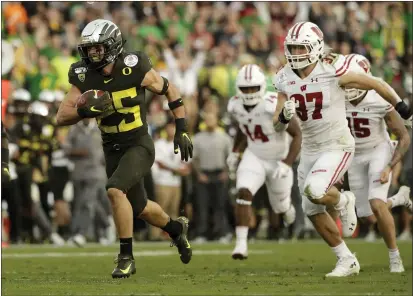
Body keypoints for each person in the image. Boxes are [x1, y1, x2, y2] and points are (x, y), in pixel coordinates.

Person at [56, 19, 193, 278]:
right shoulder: (83, 75)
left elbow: (169, 88)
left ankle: (126, 257)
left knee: (115, 189)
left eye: (98, 48)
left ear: (113, 46)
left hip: (139, 143)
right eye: (89, 49)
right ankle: (175, 229)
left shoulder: (134, 66)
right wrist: (83, 111)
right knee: (139, 207)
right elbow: (61, 116)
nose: (92, 53)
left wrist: (182, 127)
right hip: (112, 148)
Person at [272, 21, 411, 277]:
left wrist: (401, 106)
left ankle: (344, 198)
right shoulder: (283, 77)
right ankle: (346, 259)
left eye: (300, 48)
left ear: (314, 48)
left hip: (338, 144)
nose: (295, 53)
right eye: (291, 48)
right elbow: (277, 126)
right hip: (311, 148)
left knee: (315, 190)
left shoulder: (332, 68)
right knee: (310, 208)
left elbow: (374, 82)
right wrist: (282, 117)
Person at [226, 64, 301, 259]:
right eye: (245, 88)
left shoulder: (271, 104)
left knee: (280, 206)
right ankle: (241, 245)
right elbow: (245, 128)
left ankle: (288, 208)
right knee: (243, 191)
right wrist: (236, 151)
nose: (249, 93)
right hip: (255, 156)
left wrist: (287, 162)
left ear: (261, 87)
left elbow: (297, 134)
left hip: (278, 159)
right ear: (237, 88)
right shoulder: (234, 105)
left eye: (253, 88)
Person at [344, 54, 411, 272]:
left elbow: (403, 136)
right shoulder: (337, 97)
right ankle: (399, 198)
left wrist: (390, 166)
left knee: (376, 203)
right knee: (369, 216)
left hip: (378, 151)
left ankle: (395, 258)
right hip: (354, 155)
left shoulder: (379, 98)